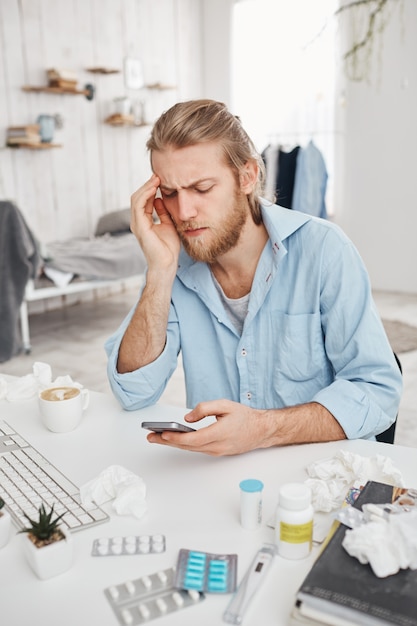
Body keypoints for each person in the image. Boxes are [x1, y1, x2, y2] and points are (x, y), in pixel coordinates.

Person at [105, 99, 402, 456]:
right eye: (169, 193)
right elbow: (133, 391)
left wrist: (261, 430)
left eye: (201, 189)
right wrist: (160, 271)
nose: (184, 212)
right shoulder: (174, 267)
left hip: (318, 476)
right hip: (223, 479)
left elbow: (377, 390)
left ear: (247, 177)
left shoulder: (324, 250)